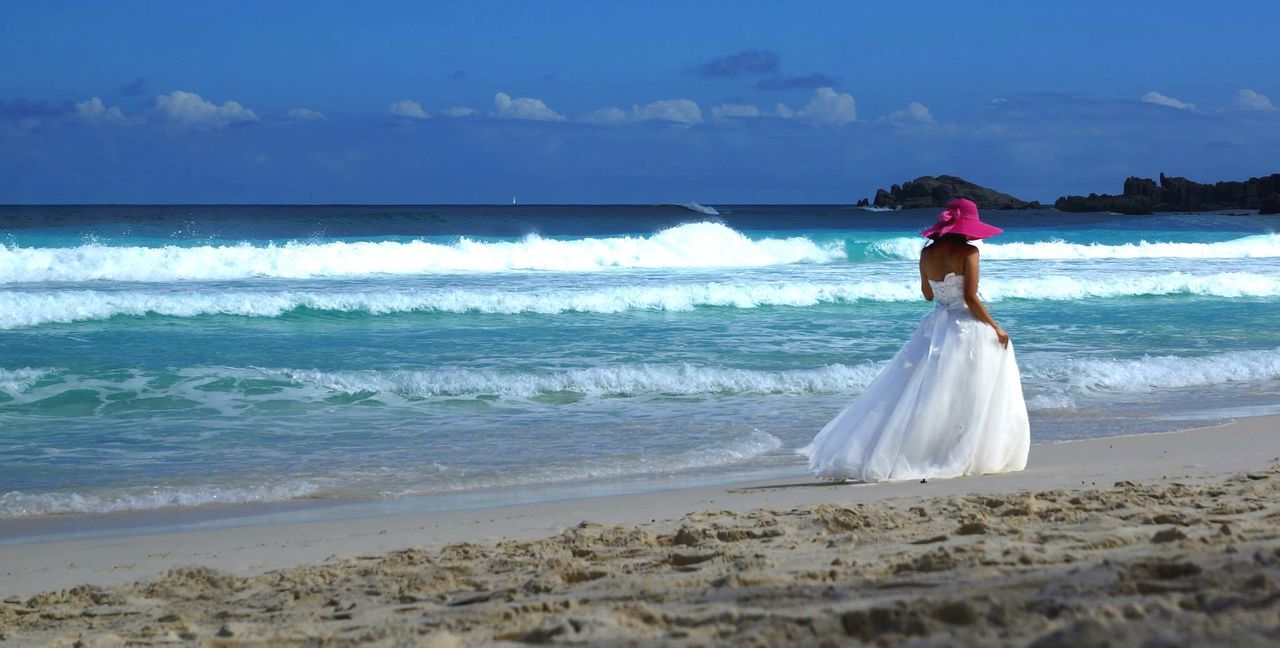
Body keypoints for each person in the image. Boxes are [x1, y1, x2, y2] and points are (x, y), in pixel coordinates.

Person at [797, 198, 1029, 482]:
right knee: (970, 387)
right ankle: (959, 448)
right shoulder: (969, 252)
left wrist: (942, 286)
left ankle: (912, 449)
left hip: (936, 325)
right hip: (965, 325)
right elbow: (970, 298)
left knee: (925, 390)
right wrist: (996, 327)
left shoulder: (926, 254)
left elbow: (928, 295)